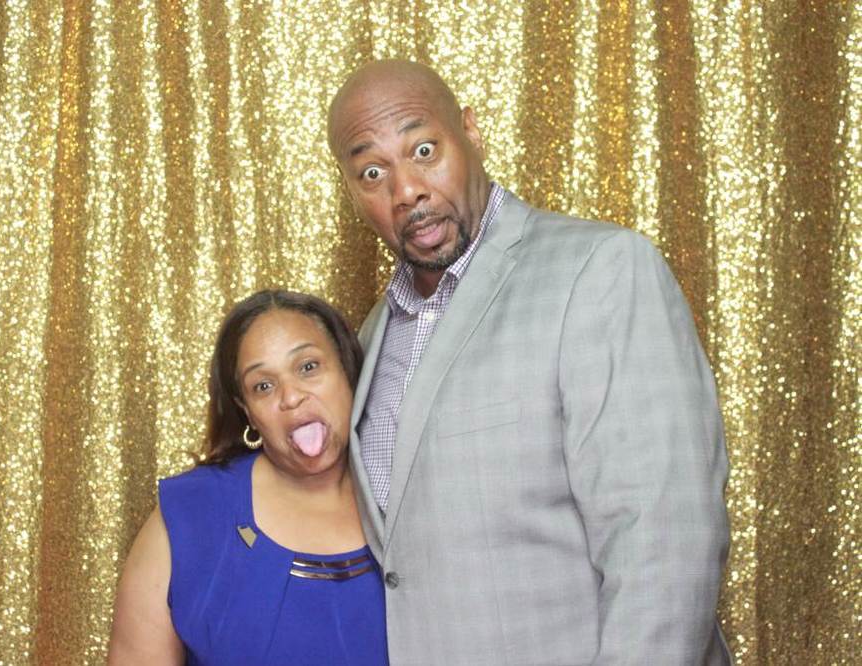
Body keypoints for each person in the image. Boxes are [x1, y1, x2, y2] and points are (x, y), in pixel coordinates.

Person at [328, 59, 732, 665]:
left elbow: (666, 542)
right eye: (372, 171)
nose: (405, 190)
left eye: (424, 150)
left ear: (471, 131)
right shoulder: (370, 335)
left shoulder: (599, 270)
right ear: (352, 191)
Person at [107, 290, 388, 665]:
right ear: (248, 412)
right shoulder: (190, 516)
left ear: (347, 370)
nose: (291, 396)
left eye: (308, 367)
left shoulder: (405, 495)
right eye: (263, 386)